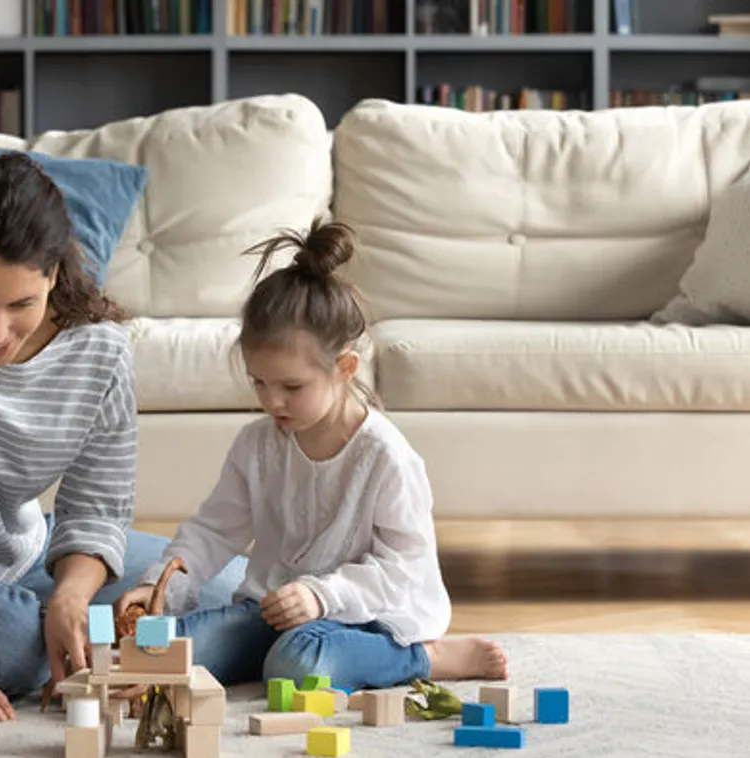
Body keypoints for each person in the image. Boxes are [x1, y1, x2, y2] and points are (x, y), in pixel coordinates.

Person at [0, 151, 246, 722]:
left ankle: (81, 632)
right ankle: (86, 643)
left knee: (231, 588)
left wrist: (71, 596)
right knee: (10, 640)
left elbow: (96, 509)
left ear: (53, 273)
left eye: (21, 304)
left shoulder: (101, 349)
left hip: (24, 552)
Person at [115, 219, 510, 693]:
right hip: (272, 613)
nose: (272, 401)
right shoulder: (256, 445)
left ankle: (424, 657)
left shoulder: (385, 457)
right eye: (259, 382)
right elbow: (214, 530)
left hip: (363, 621)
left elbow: (405, 568)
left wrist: (321, 595)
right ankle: (243, 650)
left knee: (297, 664)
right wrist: (160, 585)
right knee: (156, 650)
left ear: (345, 368)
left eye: (292, 386)